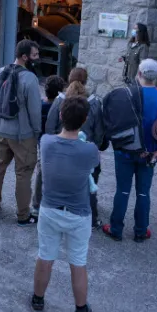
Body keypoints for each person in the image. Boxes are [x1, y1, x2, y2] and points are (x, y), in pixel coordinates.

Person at [31, 96, 101, 312]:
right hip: (78, 213)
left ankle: (38, 300)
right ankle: (80, 310)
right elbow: (91, 164)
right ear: (84, 120)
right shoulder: (89, 150)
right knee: (78, 261)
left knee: (45, 256)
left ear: (61, 116)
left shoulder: (47, 142)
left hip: (50, 208)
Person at [101, 59, 157, 241]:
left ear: (139, 74)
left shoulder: (127, 93)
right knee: (143, 192)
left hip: (124, 151)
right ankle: (140, 231)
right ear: (156, 76)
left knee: (122, 190)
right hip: (150, 153)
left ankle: (116, 229)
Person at [0, 40, 43, 226]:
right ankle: (23, 215)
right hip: (23, 134)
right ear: (25, 57)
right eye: (35, 55)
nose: (37, 58)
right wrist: (37, 132)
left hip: (2, 130)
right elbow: (35, 111)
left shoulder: (0, 72)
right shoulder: (30, 79)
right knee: (23, 173)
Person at [46, 69, 105, 227]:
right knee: (90, 183)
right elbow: (99, 133)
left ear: (68, 79)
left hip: (61, 152)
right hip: (85, 153)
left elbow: (50, 127)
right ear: (86, 82)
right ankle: (91, 219)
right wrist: (94, 148)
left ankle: (53, 212)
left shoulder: (60, 101)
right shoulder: (94, 103)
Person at [31, 75, 66, 217]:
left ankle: (36, 204)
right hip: (59, 143)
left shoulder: (40, 105)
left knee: (41, 171)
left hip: (42, 143)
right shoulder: (60, 106)